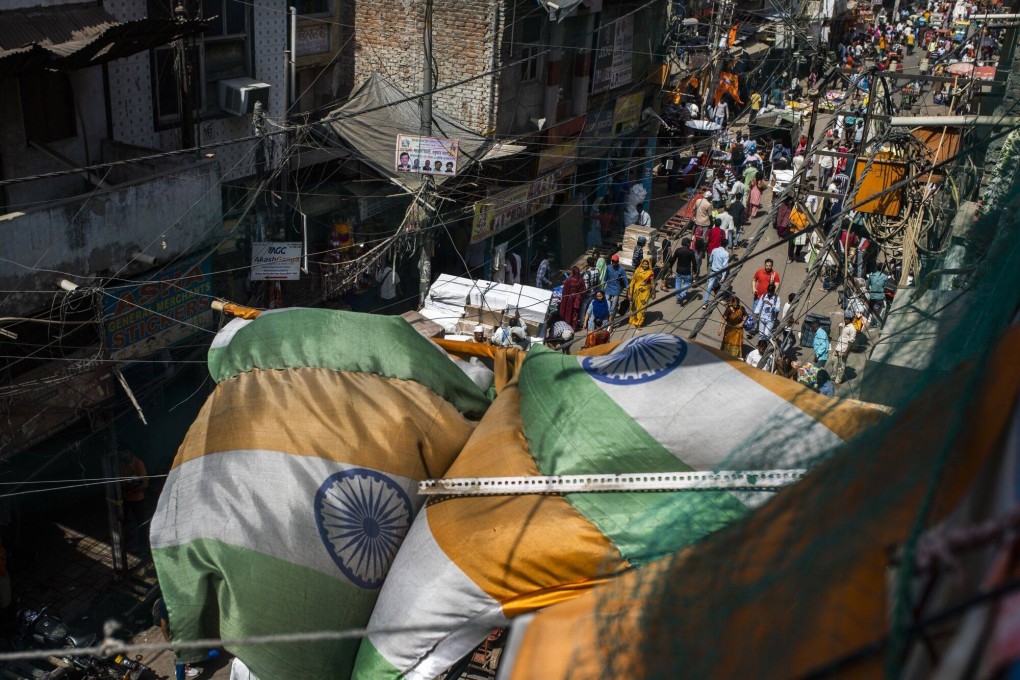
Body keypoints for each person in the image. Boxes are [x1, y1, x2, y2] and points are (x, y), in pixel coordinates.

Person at [119, 449, 148, 554]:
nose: (120, 456)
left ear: (128, 452)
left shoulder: (137, 463)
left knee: (141, 523)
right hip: (126, 498)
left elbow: (144, 484)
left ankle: (144, 547)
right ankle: (122, 546)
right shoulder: (121, 464)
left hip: (137, 499)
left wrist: (130, 489)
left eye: (121, 453)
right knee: (121, 521)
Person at [627, 258, 656, 329]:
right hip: (636, 292)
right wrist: (629, 293)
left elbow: (652, 283)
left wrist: (653, 292)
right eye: (644, 264)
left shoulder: (650, 272)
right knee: (635, 306)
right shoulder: (638, 270)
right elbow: (632, 281)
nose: (645, 265)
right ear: (642, 263)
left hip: (645, 292)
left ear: (649, 265)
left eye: (647, 264)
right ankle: (634, 320)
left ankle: (640, 322)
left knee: (642, 308)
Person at [702, 238, 730, 308]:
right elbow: (725, 266)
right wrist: (723, 276)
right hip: (720, 272)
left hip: (713, 271)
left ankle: (705, 303)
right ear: (726, 245)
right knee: (723, 286)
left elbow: (710, 260)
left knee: (709, 287)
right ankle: (723, 299)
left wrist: (711, 266)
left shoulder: (714, 250)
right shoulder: (726, 254)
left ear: (720, 243)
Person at [832, 309, 858, 383]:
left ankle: (838, 380)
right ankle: (834, 376)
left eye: (847, 319)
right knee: (834, 362)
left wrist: (846, 352)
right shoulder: (843, 324)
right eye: (845, 318)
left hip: (843, 349)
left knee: (841, 366)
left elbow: (851, 342)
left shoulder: (852, 329)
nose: (846, 320)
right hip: (838, 347)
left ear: (851, 319)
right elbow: (840, 329)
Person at [669, 237, 697, 305]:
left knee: (678, 284)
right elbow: (694, 262)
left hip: (679, 271)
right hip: (687, 272)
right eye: (690, 242)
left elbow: (672, 260)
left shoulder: (678, 250)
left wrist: (670, 268)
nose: (690, 243)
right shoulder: (691, 252)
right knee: (686, 284)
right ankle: (682, 296)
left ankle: (678, 297)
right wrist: (695, 270)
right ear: (687, 244)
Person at [603, 254, 629, 319]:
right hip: (608, 288)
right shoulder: (608, 267)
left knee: (613, 307)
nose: (613, 263)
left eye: (615, 262)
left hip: (616, 289)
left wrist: (628, 289)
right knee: (607, 305)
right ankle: (607, 318)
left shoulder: (621, 270)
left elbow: (625, 279)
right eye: (613, 261)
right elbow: (605, 277)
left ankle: (611, 319)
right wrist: (603, 285)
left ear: (618, 262)